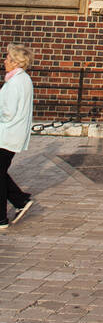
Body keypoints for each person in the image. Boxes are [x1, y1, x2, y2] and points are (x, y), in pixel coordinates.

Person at [0, 44, 35, 231]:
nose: (4, 61)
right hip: (11, 135)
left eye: (7, 58)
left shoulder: (15, 82)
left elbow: (8, 112)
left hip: (6, 134)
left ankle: (1, 218)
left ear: (15, 62)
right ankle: (20, 200)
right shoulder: (23, 80)